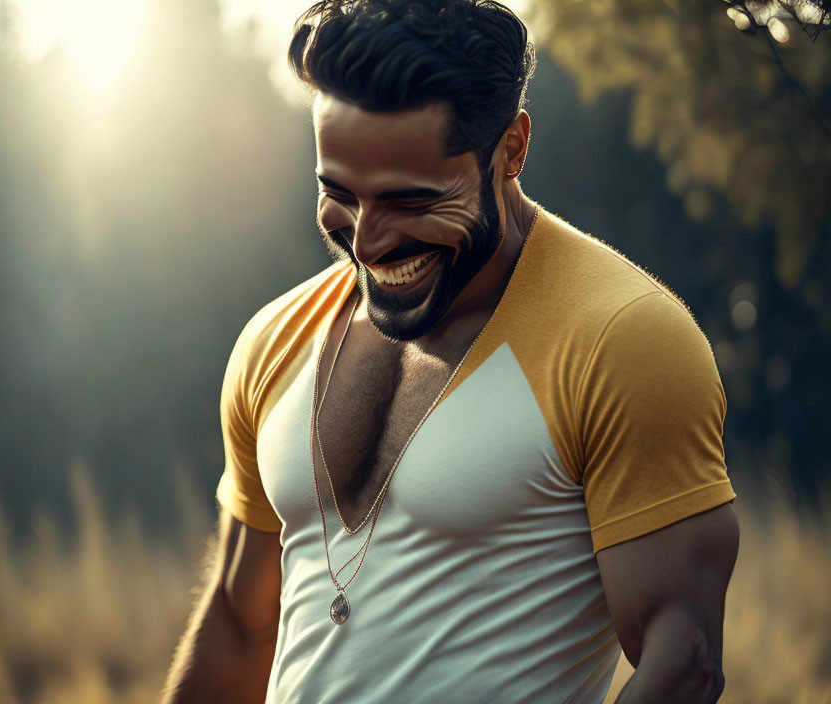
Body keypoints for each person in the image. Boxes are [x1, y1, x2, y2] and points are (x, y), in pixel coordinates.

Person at [162, 1, 739, 702]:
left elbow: (684, 661)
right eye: (339, 194)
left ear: (512, 149)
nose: (368, 243)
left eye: (411, 202)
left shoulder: (625, 340)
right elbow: (237, 624)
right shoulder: (274, 340)